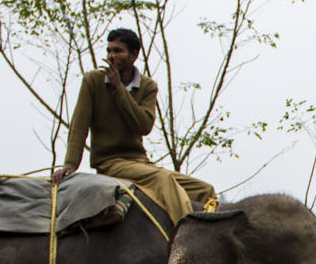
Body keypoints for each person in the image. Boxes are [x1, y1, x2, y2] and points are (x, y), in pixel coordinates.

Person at [51, 28, 217, 222]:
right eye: (109, 51)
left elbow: (144, 125)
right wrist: (70, 165)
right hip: (111, 163)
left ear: (134, 55)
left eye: (118, 51)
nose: (111, 56)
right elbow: (79, 126)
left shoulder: (147, 86)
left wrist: (119, 89)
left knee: (205, 191)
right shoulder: (93, 81)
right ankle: (189, 237)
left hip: (140, 162)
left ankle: (212, 234)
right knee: (163, 180)